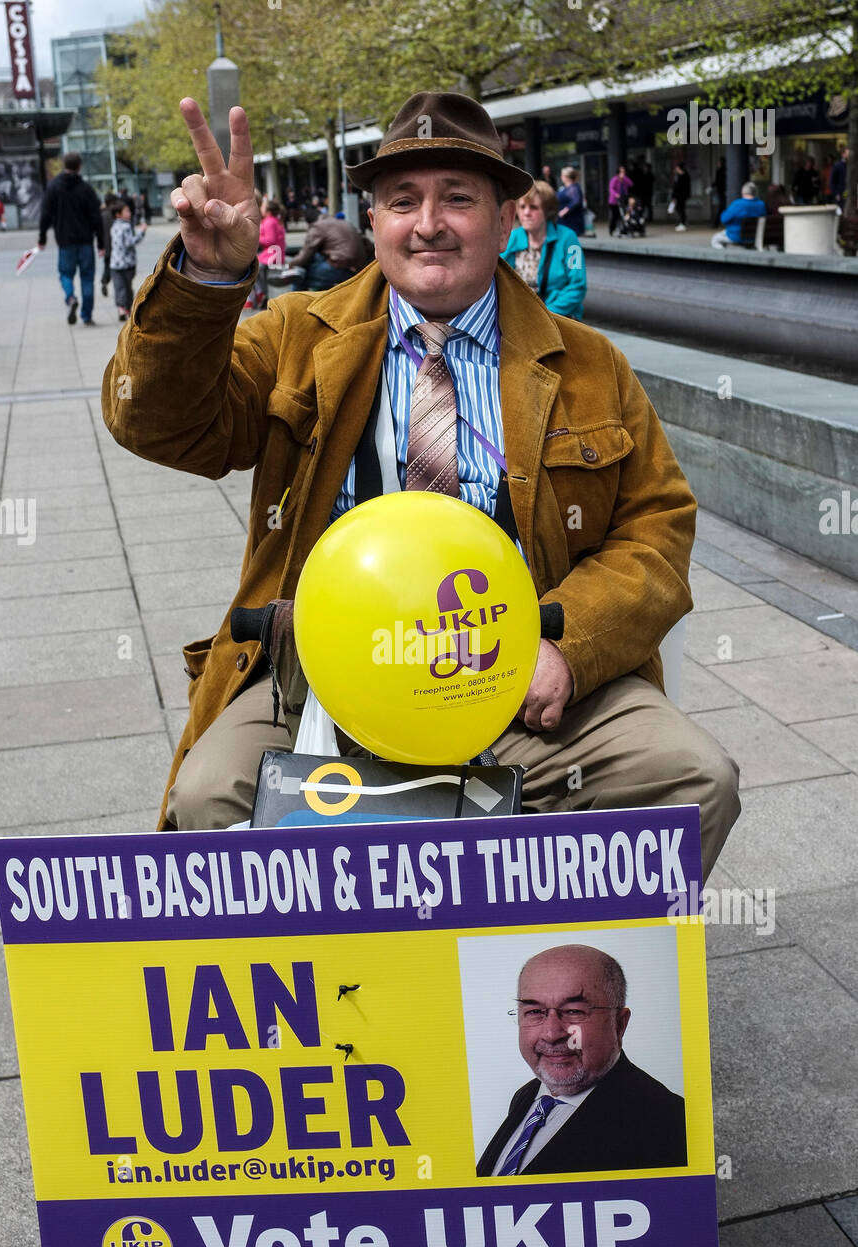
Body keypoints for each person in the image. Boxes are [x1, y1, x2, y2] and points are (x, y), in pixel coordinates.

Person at [101, 90, 740, 878]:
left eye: (458, 199)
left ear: (507, 218)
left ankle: (546, 974)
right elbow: (155, 422)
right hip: (324, 690)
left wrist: (567, 649)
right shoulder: (298, 337)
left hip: (515, 680)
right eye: (401, 200)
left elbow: (657, 525)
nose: (427, 223)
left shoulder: (587, 363)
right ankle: (342, 987)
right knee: (210, 800)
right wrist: (204, 277)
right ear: (372, 222)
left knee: (690, 780)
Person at [476, 945, 687, 1176]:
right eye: (535, 1012)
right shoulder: (528, 1096)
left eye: (574, 1011)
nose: (552, 1033)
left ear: (619, 1024)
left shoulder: (669, 1124)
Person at [501, 179, 586, 319]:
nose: (526, 213)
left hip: (560, 318)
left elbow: (577, 286)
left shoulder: (568, 238)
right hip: (519, 318)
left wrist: (545, 316)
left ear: (547, 211)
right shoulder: (511, 237)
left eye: (534, 207)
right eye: (522, 207)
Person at [38, 152, 104, 325]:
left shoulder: (54, 187)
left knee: (65, 274)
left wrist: (42, 237)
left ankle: (70, 297)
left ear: (63, 165)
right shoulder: (86, 189)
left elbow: (45, 214)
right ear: (79, 166)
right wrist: (101, 243)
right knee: (87, 277)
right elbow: (97, 218)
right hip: (85, 242)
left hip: (65, 242)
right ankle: (87, 316)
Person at [285, 211, 368, 289]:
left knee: (299, 277)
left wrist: (290, 265)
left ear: (309, 223)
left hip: (340, 266)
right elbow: (367, 244)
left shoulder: (317, 226)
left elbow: (305, 255)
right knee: (318, 259)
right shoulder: (344, 222)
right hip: (357, 268)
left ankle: (295, 303)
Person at [109, 198, 147, 321]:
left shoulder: (113, 226)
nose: (129, 213)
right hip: (127, 264)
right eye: (126, 211)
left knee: (119, 287)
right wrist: (141, 232)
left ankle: (121, 308)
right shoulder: (126, 226)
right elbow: (129, 243)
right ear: (118, 214)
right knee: (127, 286)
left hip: (115, 263)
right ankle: (128, 308)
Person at [711, 181, 767, 248]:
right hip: (755, 236)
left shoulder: (737, 204)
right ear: (755, 192)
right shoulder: (761, 205)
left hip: (736, 236)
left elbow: (723, 219)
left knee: (715, 239)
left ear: (743, 192)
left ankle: (724, 256)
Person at [253, 196, 287, 308]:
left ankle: (261, 293)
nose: (261, 208)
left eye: (262, 206)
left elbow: (270, 240)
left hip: (271, 255)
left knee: (251, 267)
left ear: (267, 211)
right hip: (275, 254)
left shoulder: (269, 222)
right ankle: (262, 293)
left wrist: (255, 238)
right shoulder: (275, 221)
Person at [556, 166, 585, 237]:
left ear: (567, 177)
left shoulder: (574, 188)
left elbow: (576, 201)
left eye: (562, 175)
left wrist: (564, 211)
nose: (561, 177)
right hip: (563, 221)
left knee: (570, 243)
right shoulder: (565, 188)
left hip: (570, 221)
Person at [607, 164, 632, 235]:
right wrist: (616, 195)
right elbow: (611, 189)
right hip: (614, 201)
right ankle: (612, 229)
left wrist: (624, 178)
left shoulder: (624, 179)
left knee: (624, 214)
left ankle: (624, 228)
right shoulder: (614, 179)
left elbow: (631, 184)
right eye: (621, 172)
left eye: (623, 172)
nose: (622, 173)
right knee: (615, 216)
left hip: (623, 199)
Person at [670, 160, 690, 231]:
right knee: (679, 209)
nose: (676, 169)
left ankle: (683, 223)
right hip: (679, 195)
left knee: (680, 209)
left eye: (677, 168)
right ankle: (682, 222)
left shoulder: (684, 176)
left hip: (681, 195)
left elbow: (679, 187)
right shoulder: (678, 176)